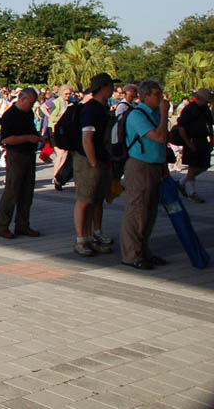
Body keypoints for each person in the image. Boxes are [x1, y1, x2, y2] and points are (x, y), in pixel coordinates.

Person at [119, 79, 170, 270]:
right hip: (140, 166)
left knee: (150, 211)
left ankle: (144, 249)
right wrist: (165, 114)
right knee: (137, 211)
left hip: (156, 165)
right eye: (157, 94)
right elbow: (159, 136)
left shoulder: (156, 114)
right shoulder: (137, 115)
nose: (161, 98)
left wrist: (164, 166)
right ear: (145, 95)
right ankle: (131, 254)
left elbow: (162, 143)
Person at [73, 73, 116, 257]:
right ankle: (81, 239)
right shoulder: (91, 109)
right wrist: (93, 162)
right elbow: (87, 138)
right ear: (103, 87)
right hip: (88, 160)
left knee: (96, 200)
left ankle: (92, 237)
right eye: (110, 86)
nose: (113, 89)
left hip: (101, 160)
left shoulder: (102, 107)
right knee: (85, 199)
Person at [0, 88, 43, 239]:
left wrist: (38, 138)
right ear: (22, 99)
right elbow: (6, 139)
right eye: (30, 103)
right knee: (12, 190)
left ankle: (22, 224)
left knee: (27, 192)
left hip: (29, 154)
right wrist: (28, 138)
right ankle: (2, 225)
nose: (32, 106)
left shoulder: (28, 113)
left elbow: (31, 130)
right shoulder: (10, 115)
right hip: (16, 155)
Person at [174, 88, 213, 203]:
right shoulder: (189, 109)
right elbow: (181, 127)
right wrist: (188, 143)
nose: (207, 102)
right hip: (192, 139)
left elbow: (210, 125)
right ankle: (192, 192)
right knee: (193, 166)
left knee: (204, 165)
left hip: (203, 139)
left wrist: (212, 140)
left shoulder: (205, 109)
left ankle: (182, 181)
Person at [49, 85, 73, 190]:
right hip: (54, 130)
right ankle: (56, 175)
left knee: (65, 153)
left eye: (69, 94)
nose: (68, 96)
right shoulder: (56, 102)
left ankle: (59, 174)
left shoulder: (68, 102)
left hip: (64, 131)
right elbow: (52, 117)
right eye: (66, 94)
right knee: (61, 153)